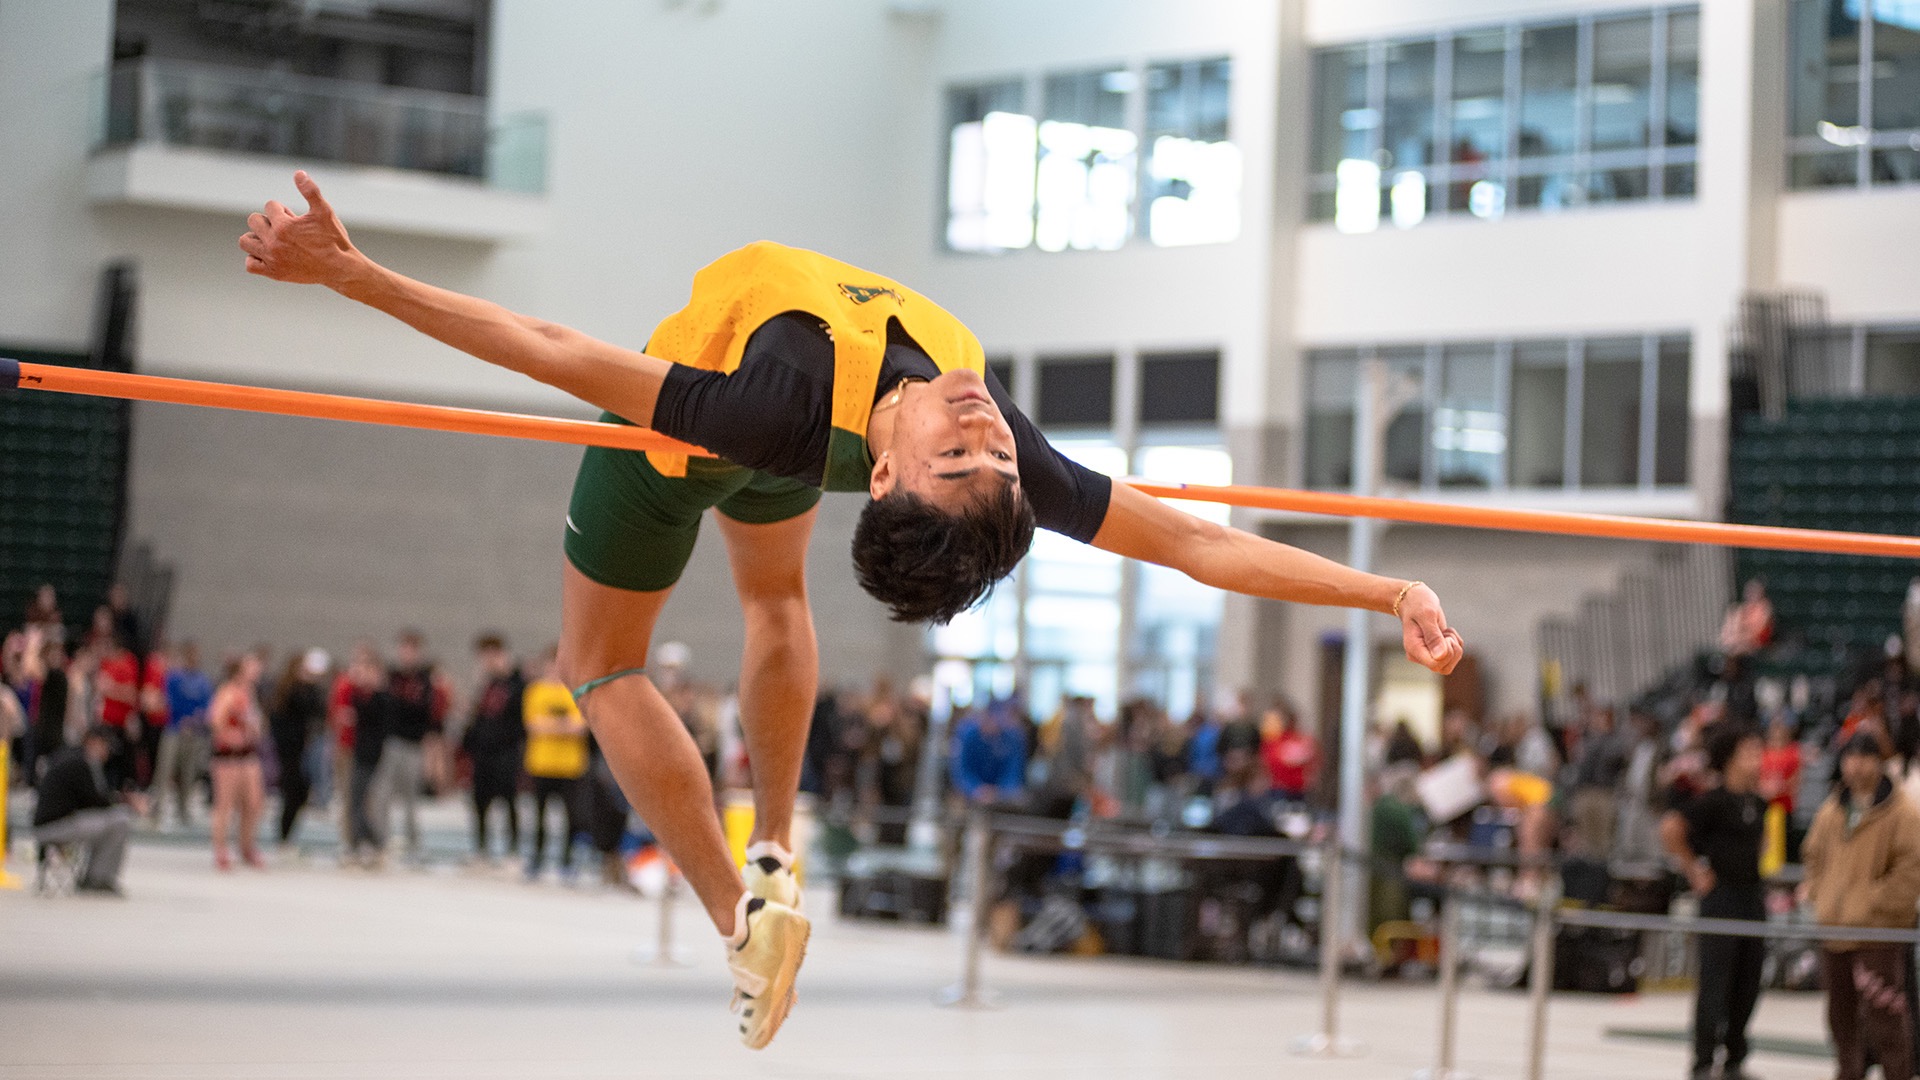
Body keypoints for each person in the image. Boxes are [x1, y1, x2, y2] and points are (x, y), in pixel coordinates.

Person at [239, 171, 1465, 1048]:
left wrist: (352, 276)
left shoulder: (764, 406)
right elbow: (1196, 544)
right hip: (782, 447)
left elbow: (549, 346)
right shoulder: (983, 435)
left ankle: (736, 907)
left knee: (601, 668)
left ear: (886, 475)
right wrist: (1388, 587)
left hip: (672, 449)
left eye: (964, 456)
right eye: (987, 458)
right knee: (772, 600)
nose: (986, 431)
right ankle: (774, 856)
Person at [1802, 732, 1920, 1080]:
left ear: (1878, 761)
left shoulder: (1902, 812)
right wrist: (1821, 895)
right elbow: (1812, 855)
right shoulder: (1831, 810)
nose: (1855, 765)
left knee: (1886, 1017)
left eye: (1864, 757)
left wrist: (1874, 903)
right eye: (1849, 757)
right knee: (1841, 1018)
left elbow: (1911, 869)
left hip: (1878, 932)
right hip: (1835, 929)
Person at [1662, 724, 1769, 1080]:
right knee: (1716, 981)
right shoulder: (1713, 800)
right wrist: (1695, 870)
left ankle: (1735, 1056)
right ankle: (1703, 1060)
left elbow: (1762, 843)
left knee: (1748, 980)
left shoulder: (1756, 801)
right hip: (1721, 899)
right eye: (1748, 752)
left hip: (1751, 897)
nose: (1756, 759)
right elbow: (1671, 829)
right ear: (1729, 760)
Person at [32, 725, 146, 894]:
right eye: (106, 746)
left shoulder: (71, 755)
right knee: (120, 821)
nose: (107, 753)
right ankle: (98, 878)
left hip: (57, 821)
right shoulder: (80, 762)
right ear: (94, 742)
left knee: (113, 821)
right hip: (54, 825)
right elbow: (94, 800)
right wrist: (127, 801)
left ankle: (96, 875)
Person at [370, 630, 438, 864]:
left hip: (413, 744)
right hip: (392, 743)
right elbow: (384, 708)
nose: (407, 654)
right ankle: (383, 840)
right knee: (382, 794)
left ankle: (413, 843)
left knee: (411, 798)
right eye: (404, 648)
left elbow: (424, 712)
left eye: (412, 649)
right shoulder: (391, 677)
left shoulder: (424, 679)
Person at [522, 648, 588, 882]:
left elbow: (580, 726)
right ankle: (537, 859)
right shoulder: (535, 691)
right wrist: (563, 726)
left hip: (569, 765)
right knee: (539, 816)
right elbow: (533, 724)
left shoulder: (575, 691)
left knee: (571, 817)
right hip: (542, 763)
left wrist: (551, 726)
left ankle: (567, 861)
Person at [463, 633, 526, 864]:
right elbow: (475, 717)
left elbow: (520, 712)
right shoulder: (485, 684)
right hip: (483, 751)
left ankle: (513, 849)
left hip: (506, 750)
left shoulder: (516, 682)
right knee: (480, 801)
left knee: (509, 800)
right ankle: (481, 847)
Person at [208, 654, 269, 871]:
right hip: (228, 756)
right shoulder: (227, 692)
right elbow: (215, 721)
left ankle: (246, 845)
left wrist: (254, 730)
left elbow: (257, 723)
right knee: (225, 803)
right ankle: (221, 848)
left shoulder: (250, 693)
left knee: (254, 802)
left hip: (248, 753)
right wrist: (229, 734)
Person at [331, 643, 388, 866]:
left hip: (368, 753)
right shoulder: (352, 689)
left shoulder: (378, 696)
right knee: (352, 799)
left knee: (362, 801)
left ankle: (371, 842)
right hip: (352, 749)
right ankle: (357, 842)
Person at [268, 649, 328, 849]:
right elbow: (286, 715)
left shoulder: (308, 689)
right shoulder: (288, 691)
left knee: (301, 792)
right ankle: (284, 837)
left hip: (301, 748)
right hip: (288, 749)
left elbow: (318, 710)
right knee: (293, 791)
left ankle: (287, 836)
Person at [155, 641, 214, 827]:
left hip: (194, 731)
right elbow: (170, 700)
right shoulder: (174, 677)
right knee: (166, 768)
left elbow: (206, 705)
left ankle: (183, 808)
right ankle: (158, 806)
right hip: (175, 728)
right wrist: (182, 719)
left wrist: (196, 720)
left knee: (189, 771)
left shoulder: (203, 681)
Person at [1260, 701, 1317, 802]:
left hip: (1298, 789)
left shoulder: (1301, 739)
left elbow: (1311, 759)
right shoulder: (1272, 741)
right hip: (1277, 788)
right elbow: (1269, 761)